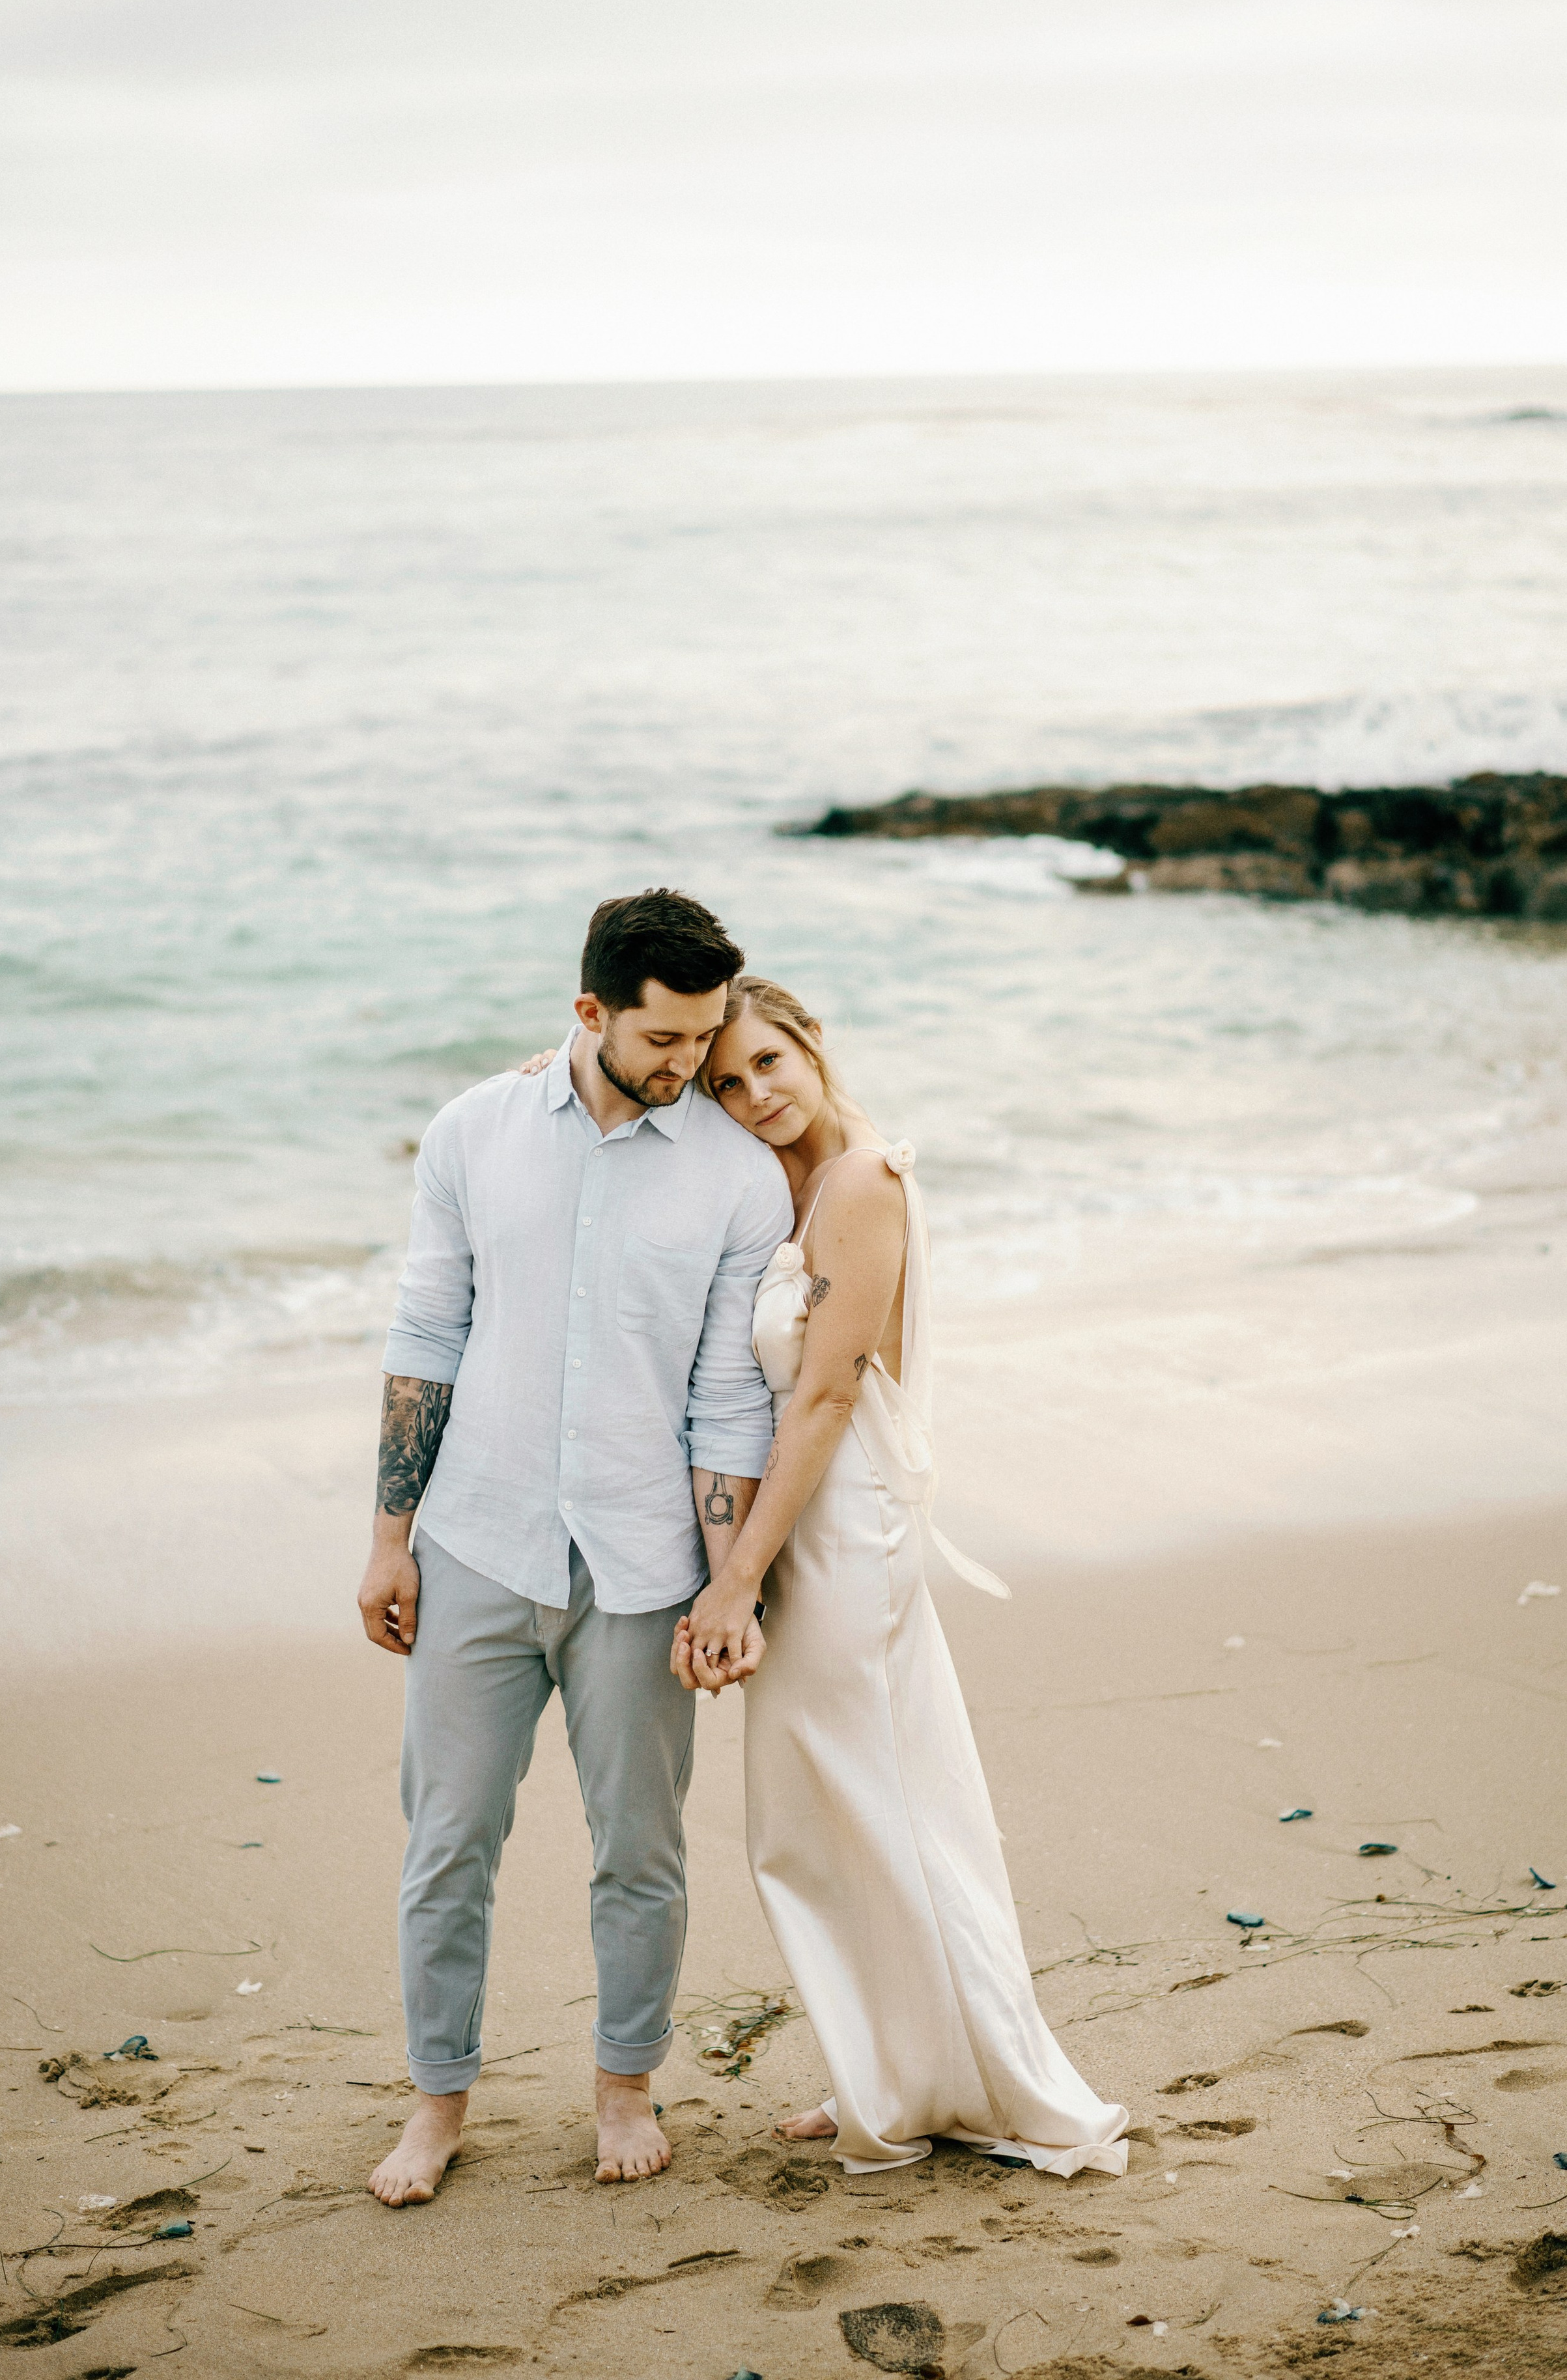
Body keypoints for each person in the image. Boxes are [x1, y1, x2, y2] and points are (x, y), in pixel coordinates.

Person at [356, 892, 792, 2203]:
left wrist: (727, 1583)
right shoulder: (472, 1132)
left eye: (707, 1036)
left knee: (639, 1851)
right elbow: (426, 1337)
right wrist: (389, 1541)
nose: (689, 1067)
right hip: (477, 1544)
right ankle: (437, 2104)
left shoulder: (736, 1174)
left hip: (640, 1571)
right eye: (664, 1040)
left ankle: (623, 2087)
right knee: (446, 1842)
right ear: (590, 1011)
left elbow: (727, 1402)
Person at [673, 976, 1129, 2178]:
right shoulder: (799, 1180)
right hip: (808, 1516)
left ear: (813, 1043)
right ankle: (890, 2065)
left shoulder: (863, 1182)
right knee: (838, 1812)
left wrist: (738, 1580)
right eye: (726, 1081)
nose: (753, 1093)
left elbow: (824, 1392)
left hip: (840, 1526)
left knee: (874, 1810)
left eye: (768, 1062)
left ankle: (954, 2078)